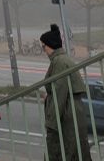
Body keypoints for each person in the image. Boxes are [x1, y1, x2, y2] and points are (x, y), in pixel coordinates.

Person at [40, 24, 91, 161]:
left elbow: (59, 94)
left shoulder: (59, 62)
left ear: (50, 45)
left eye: (43, 46)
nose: (43, 50)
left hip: (67, 116)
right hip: (71, 113)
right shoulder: (62, 60)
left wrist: (51, 123)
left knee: (63, 152)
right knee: (75, 152)